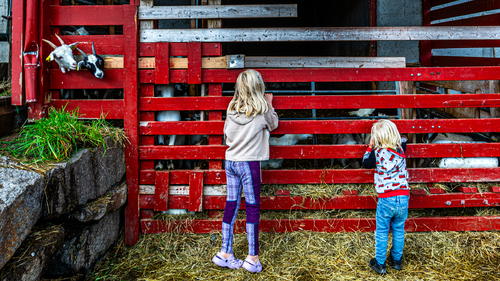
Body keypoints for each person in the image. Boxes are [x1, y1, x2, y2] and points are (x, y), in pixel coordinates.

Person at [212, 69, 279, 273]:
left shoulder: (231, 110)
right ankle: (252, 258)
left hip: (231, 161)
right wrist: (269, 103)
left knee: (231, 204)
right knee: (252, 207)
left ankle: (224, 253)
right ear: (259, 88)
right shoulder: (262, 111)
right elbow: (274, 123)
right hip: (249, 164)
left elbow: (226, 134)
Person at [362, 120, 409, 274]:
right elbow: (404, 140)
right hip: (403, 197)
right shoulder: (401, 149)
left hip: (386, 199)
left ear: (376, 138)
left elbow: (365, 163)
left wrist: (370, 146)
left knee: (382, 231)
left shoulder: (376, 153)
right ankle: (396, 260)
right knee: (399, 229)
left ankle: (380, 263)